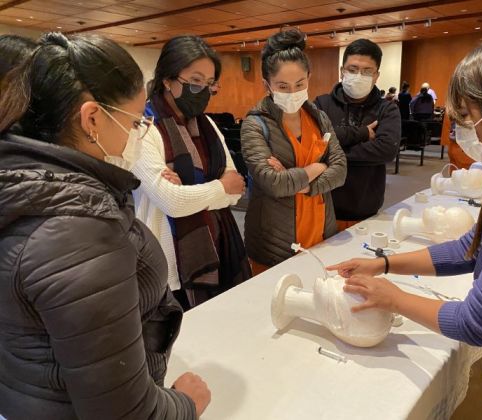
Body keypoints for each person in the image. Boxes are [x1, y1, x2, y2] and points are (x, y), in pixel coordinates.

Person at [328, 30, 482, 420]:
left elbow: (480, 322)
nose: (459, 129)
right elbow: (472, 247)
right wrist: (384, 263)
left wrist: (393, 298)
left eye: (467, 116)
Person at [0, 33, 209, 419]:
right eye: (134, 122)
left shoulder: (23, 184)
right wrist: (188, 404)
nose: (139, 134)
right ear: (93, 118)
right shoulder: (79, 232)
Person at [138, 35, 251, 310]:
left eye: (210, 83)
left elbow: (237, 188)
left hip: (218, 239)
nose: (203, 90)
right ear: (168, 79)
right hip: (171, 255)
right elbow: (172, 203)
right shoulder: (143, 126)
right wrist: (218, 187)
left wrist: (190, 192)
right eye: (195, 81)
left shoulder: (208, 125)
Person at [241, 29, 347, 275]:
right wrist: (318, 167)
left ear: (309, 77)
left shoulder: (318, 118)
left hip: (321, 232)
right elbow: (274, 184)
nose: (292, 92)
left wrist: (303, 183)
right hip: (275, 243)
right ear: (267, 85)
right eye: (282, 86)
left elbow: (340, 170)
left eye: (300, 84)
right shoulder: (255, 124)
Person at [315, 38, 400, 231]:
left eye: (367, 71)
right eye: (352, 69)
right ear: (342, 71)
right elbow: (314, 144)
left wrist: (332, 151)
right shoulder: (322, 104)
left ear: (377, 75)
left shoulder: (387, 109)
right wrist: (362, 134)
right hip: (323, 203)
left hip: (365, 207)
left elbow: (386, 150)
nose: (358, 75)